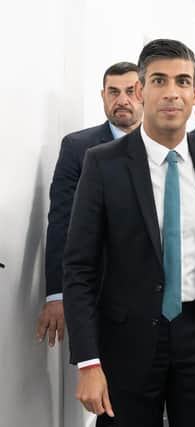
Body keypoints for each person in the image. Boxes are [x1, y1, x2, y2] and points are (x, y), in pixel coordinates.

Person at [63, 39, 195, 427]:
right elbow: (79, 267)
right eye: (159, 81)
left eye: (183, 82)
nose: (171, 93)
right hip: (126, 338)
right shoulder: (103, 163)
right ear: (141, 90)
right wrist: (88, 360)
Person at [37, 61, 143, 348]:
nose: (122, 100)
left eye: (131, 91)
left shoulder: (164, 146)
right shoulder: (77, 148)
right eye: (113, 92)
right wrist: (57, 294)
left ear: (143, 93)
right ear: (103, 96)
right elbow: (61, 221)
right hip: (97, 292)